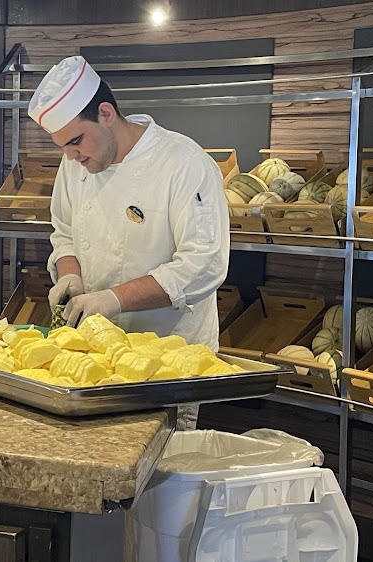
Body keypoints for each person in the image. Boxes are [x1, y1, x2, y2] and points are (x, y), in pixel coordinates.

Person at [28, 56, 230, 430]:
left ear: (106, 114)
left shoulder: (183, 162)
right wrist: (70, 277)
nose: (71, 156)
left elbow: (204, 264)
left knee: (158, 477)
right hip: (96, 358)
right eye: (62, 147)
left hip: (170, 363)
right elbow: (65, 232)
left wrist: (112, 299)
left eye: (75, 141)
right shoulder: (74, 163)